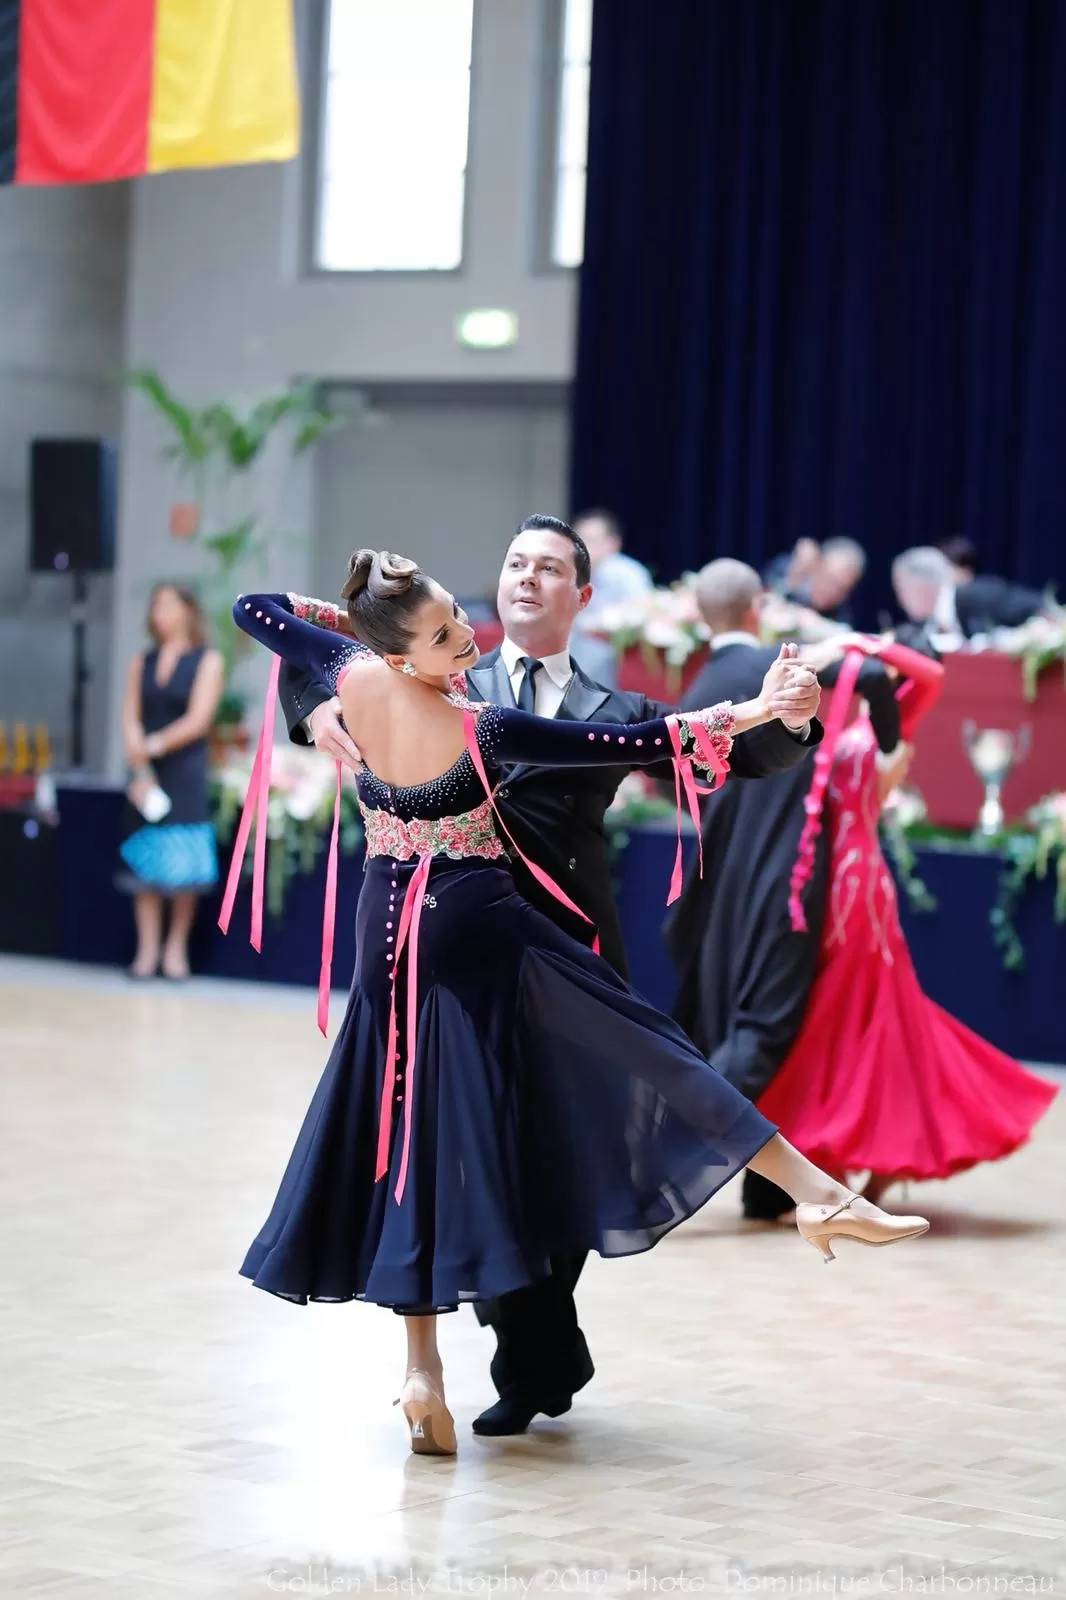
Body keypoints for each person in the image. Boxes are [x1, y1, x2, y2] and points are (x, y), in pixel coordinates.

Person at [225, 552, 929, 1459]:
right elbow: (647, 745)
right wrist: (758, 708)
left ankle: (422, 1373)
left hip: (384, 937)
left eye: (457, 615)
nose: (465, 635)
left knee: (410, 1144)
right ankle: (813, 1192)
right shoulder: (480, 724)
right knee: (652, 1047)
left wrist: (336, 660)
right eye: (443, 634)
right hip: (481, 926)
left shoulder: (350, 675)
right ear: (406, 656)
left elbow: (259, 607)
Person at [756, 633, 1057, 1192]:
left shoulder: (895, 723)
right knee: (840, 1014)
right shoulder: (861, 722)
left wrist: (861, 643)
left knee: (860, 1014)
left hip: (857, 883)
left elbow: (932, 675)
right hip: (833, 878)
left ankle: (867, 1156)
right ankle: (841, 1154)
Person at [665, 559, 902, 1224]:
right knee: (762, 1031)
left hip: (719, 882)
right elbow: (881, 675)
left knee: (747, 1027)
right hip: (783, 876)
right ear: (757, 607)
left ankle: (768, 1188)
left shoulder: (699, 687)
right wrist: (891, 748)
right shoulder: (775, 670)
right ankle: (659, 1161)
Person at [118, 583, 224, 979]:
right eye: (155, 603)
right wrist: (137, 751)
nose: (158, 610)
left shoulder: (207, 660)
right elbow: (130, 711)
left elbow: (199, 719)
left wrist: (155, 743)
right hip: (146, 771)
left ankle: (175, 950)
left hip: (183, 769)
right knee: (143, 863)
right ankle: (146, 951)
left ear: (187, 610)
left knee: (183, 863)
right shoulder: (140, 661)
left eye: (166, 603)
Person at [568, 509, 653, 687]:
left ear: (613, 543)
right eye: (578, 540)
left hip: (618, 655)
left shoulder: (629, 573)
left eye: (590, 540)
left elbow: (645, 614)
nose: (582, 546)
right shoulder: (569, 571)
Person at [893, 546, 1048, 643]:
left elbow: (1041, 608)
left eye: (901, 590)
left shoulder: (980, 595)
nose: (900, 601)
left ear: (922, 586)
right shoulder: (925, 625)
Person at [789, 538, 866, 626]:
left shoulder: (841, 615)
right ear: (816, 565)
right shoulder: (789, 573)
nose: (831, 591)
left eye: (841, 589)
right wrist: (792, 578)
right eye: (829, 580)